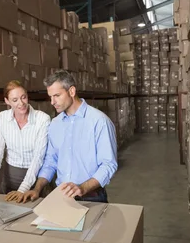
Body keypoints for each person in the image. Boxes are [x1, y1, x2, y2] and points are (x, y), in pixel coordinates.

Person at [21, 70, 118, 203]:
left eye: (57, 95)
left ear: (71, 91)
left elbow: (108, 164)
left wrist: (82, 188)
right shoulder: (55, 124)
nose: (52, 102)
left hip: (92, 197)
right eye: (50, 97)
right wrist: (37, 189)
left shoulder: (99, 121)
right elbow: (51, 161)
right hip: (62, 197)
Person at [0, 80, 51, 202]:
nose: (21, 103)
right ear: (7, 101)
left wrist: (22, 189)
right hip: (9, 177)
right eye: (15, 100)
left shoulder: (42, 119)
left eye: (23, 97)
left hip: (34, 179)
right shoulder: (3, 117)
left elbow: (38, 157)